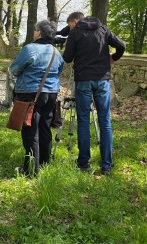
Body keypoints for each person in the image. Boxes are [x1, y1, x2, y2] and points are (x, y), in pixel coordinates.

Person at [62, 12, 125, 175]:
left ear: (75, 22)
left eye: (70, 25)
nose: (70, 28)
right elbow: (121, 45)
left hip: (83, 79)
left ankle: (84, 163)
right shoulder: (103, 29)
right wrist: (113, 57)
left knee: (83, 120)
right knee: (105, 121)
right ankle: (106, 166)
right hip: (102, 79)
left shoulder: (75, 32)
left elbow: (67, 58)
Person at [9, 20, 65, 177]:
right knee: (45, 129)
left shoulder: (29, 49)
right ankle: (45, 163)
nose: (34, 32)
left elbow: (14, 69)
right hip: (51, 94)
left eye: (35, 30)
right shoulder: (56, 51)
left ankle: (31, 170)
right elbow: (60, 70)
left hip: (30, 94)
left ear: (39, 32)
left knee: (30, 131)